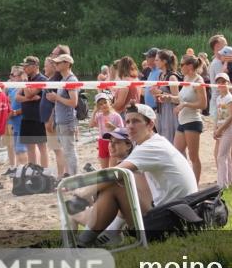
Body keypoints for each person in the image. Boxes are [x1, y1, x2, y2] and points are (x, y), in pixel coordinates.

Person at [75, 104, 198, 246]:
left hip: (174, 220)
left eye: (135, 121)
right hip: (180, 213)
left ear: (150, 124)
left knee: (116, 182)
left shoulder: (151, 147)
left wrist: (85, 191)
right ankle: (109, 232)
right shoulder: (151, 143)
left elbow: (116, 173)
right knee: (125, 180)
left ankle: (85, 242)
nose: (130, 126)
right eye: (127, 122)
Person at [164, 54, 207, 183]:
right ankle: (184, 181)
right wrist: (168, 97)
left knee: (194, 157)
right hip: (182, 121)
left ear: (189, 66)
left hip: (193, 121)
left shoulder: (198, 81)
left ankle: (195, 185)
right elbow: (182, 98)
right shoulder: (186, 78)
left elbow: (203, 104)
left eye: (181, 65)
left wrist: (185, 105)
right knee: (176, 154)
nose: (179, 67)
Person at [46, 54, 80, 176]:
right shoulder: (63, 80)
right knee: (66, 151)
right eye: (55, 63)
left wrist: (57, 98)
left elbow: (74, 102)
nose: (56, 65)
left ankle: (74, 177)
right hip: (61, 120)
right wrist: (54, 99)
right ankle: (70, 176)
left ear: (67, 64)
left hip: (67, 121)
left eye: (58, 63)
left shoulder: (71, 80)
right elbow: (63, 101)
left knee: (70, 151)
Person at [15, 55, 48, 169]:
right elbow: (17, 97)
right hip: (26, 116)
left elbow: (28, 93)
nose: (24, 69)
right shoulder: (28, 80)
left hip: (38, 117)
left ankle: (44, 170)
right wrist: (29, 98)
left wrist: (25, 86)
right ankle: (33, 169)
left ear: (34, 66)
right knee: (29, 146)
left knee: (42, 146)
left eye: (26, 66)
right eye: (23, 67)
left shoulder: (42, 79)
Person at [212, 73, 232, 187]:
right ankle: (231, 182)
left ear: (228, 83)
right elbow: (218, 115)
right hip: (221, 130)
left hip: (228, 130)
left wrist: (220, 129)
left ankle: (222, 184)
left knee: (221, 156)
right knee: (226, 156)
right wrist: (215, 129)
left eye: (223, 82)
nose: (221, 84)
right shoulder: (219, 98)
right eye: (219, 82)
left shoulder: (229, 98)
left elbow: (231, 117)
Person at [90, 93, 123, 169]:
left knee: (112, 168)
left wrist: (113, 127)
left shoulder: (116, 116)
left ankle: (113, 180)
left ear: (110, 102)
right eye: (100, 104)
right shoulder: (99, 116)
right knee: (104, 169)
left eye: (105, 102)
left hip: (113, 141)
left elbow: (122, 131)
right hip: (102, 142)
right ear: (98, 106)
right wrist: (94, 112)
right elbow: (91, 125)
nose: (103, 105)